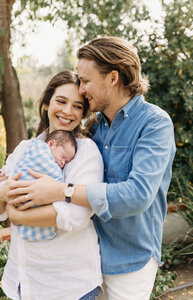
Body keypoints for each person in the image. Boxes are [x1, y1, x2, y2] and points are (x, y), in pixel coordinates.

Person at [3, 37, 176, 300]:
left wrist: (61, 191)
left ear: (113, 78)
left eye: (85, 81)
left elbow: (138, 194)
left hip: (129, 257)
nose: (81, 89)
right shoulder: (95, 128)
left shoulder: (154, 124)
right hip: (92, 253)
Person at [0, 70, 103, 300]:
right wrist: (4, 193)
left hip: (66, 285)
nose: (68, 111)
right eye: (61, 101)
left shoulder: (86, 152)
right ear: (46, 104)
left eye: (77, 106)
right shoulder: (26, 148)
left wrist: (17, 215)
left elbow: (76, 216)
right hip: (22, 280)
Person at [12, 129, 77, 241]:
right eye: (62, 156)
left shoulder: (87, 149)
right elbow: (57, 182)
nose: (62, 163)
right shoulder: (38, 149)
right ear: (51, 144)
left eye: (66, 162)